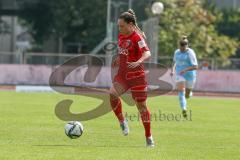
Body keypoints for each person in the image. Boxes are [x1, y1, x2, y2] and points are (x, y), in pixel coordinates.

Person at [109, 9, 154, 147]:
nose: (119, 28)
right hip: (123, 75)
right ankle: (122, 121)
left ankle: (148, 136)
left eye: (122, 26)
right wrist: (118, 58)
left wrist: (138, 61)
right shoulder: (121, 36)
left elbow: (147, 53)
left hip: (137, 77)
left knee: (141, 107)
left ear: (130, 25)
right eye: (118, 26)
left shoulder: (137, 38)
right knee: (112, 94)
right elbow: (124, 52)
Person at [171, 36, 198, 118]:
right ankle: (184, 109)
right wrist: (173, 70)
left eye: (184, 45)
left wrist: (185, 70)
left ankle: (189, 93)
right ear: (179, 45)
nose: (183, 47)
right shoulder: (177, 52)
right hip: (180, 74)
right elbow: (174, 62)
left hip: (190, 75)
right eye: (181, 45)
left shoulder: (190, 53)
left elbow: (195, 66)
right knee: (181, 92)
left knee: (187, 95)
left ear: (187, 45)